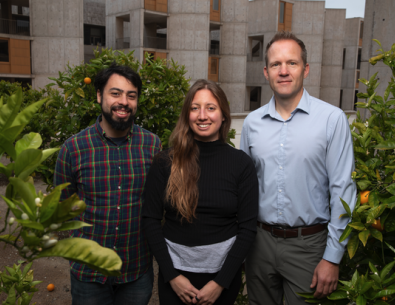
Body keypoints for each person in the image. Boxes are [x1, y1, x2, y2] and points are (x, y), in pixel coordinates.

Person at [241, 31, 357, 304]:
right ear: (265, 72)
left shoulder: (332, 119)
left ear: (305, 70)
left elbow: (343, 189)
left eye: (291, 63)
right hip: (259, 244)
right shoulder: (252, 123)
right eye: (275, 64)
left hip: (310, 246)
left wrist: (332, 256)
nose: (283, 71)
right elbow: (243, 188)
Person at [142, 79, 258, 305]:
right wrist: (172, 276)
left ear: (223, 115)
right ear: (187, 115)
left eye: (211, 108)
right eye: (195, 108)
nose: (202, 115)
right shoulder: (165, 162)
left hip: (223, 278)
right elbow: (150, 220)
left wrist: (220, 283)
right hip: (175, 277)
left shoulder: (241, 164)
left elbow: (247, 228)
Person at [54, 63, 161, 305]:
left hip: (136, 270)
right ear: (99, 95)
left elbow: (157, 204)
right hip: (89, 274)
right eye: (116, 93)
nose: (124, 101)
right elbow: (62, 209)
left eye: (131, 95)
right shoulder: (73, 149)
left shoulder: (152, 146)